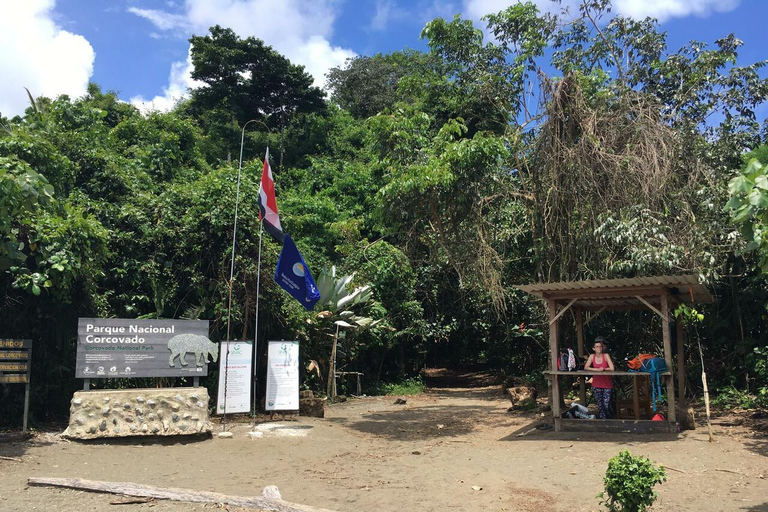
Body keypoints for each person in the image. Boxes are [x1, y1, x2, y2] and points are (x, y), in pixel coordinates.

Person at [584, 336, 614, 419]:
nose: (599, 348)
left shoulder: (606, 355)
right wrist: (597, 370)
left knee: (606, 404)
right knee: (600, 405)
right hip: (596, 384)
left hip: (607, 383)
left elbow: (612, 368)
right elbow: (586, 367)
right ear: (593, 348)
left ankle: (611, 418)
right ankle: (603, 421)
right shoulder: (592, 356)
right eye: (597, 347)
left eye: (600, 346)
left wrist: (603, 369)